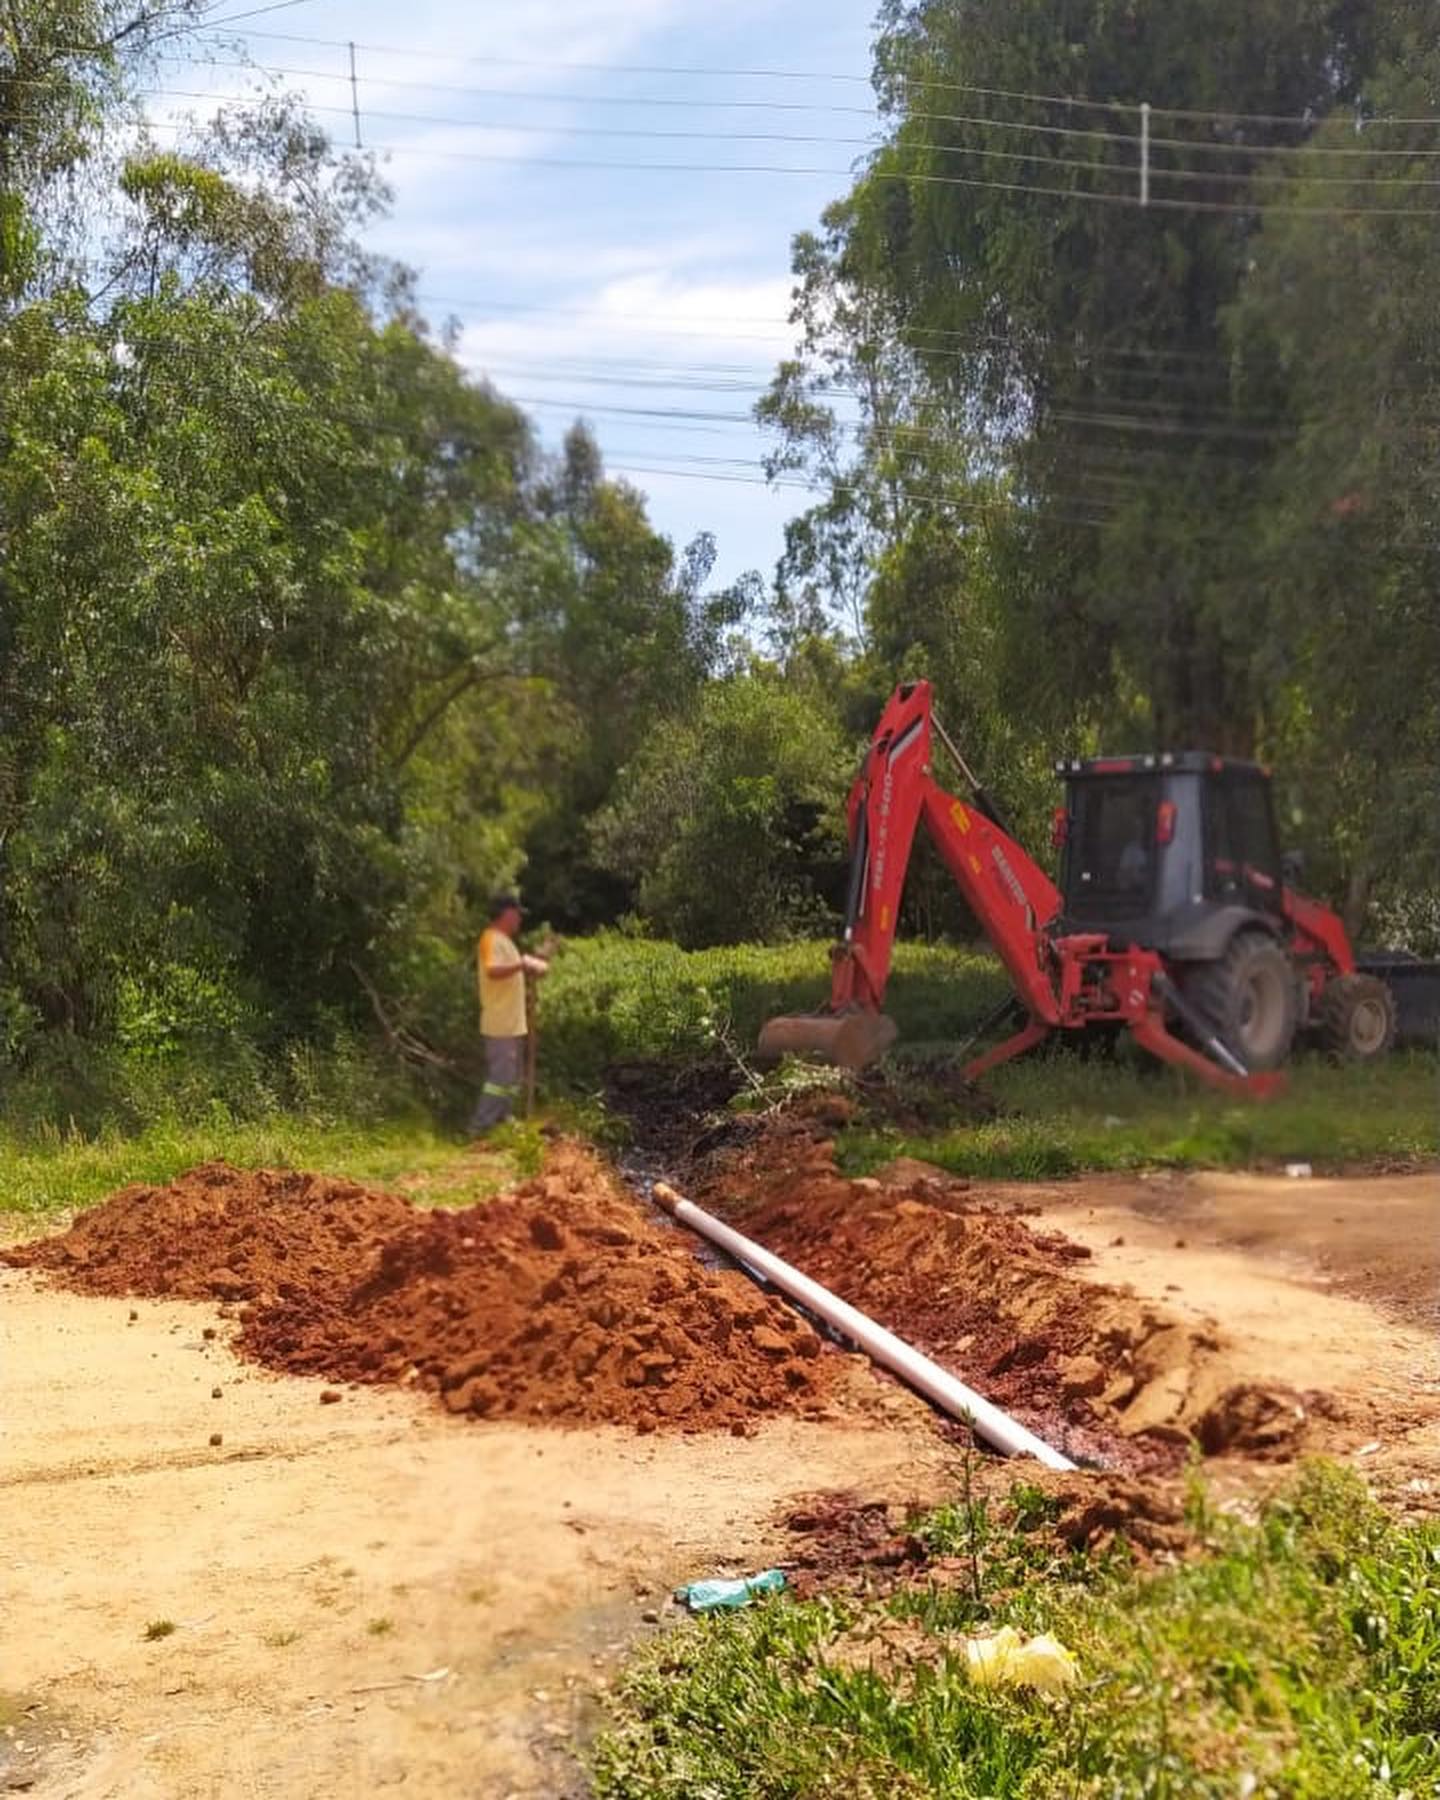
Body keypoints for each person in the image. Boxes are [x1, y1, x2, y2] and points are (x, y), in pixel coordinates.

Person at [470, 893, 548, 1135]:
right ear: (507, 913)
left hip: (513, 1024)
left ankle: (503, 1120)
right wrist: (523, 964)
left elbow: (514, 971)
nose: (519, 920)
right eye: (517, 914)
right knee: (500, 1079)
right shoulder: (490, 939)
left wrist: (533, 963)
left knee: (512, 1079)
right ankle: (480, 1125)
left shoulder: (505, 941)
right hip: (499, 1023)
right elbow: (493, 971)